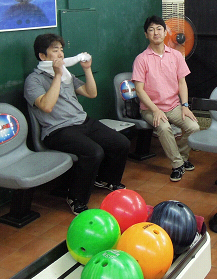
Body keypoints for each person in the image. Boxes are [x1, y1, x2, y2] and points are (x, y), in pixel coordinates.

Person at [24, 33, 130, 215]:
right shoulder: (34, 80)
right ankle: (76, 198)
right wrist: (57, 75)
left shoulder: (67, 75)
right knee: (94, 152)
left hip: (82, 121)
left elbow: (91, 93)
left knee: (121, 143)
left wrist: (87, 69)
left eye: (61, 50)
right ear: (42, 56)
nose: (60, 54)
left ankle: (105, 179)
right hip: (57, 130)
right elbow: (47, 106)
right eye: (55, 50)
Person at [132, 15, 200, 182]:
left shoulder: (176, 55)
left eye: (159, 29)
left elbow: (182, 83)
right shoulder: (141, 59)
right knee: (163, 128)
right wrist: (155, 110)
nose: (155, 33)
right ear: (146, 34)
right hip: (150, 108)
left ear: (165, 32)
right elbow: (139, 90)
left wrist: (185, 105)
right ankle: (177, 165)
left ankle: (181, 157)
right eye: (151, 30)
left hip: (174, 106)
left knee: (194, 127)